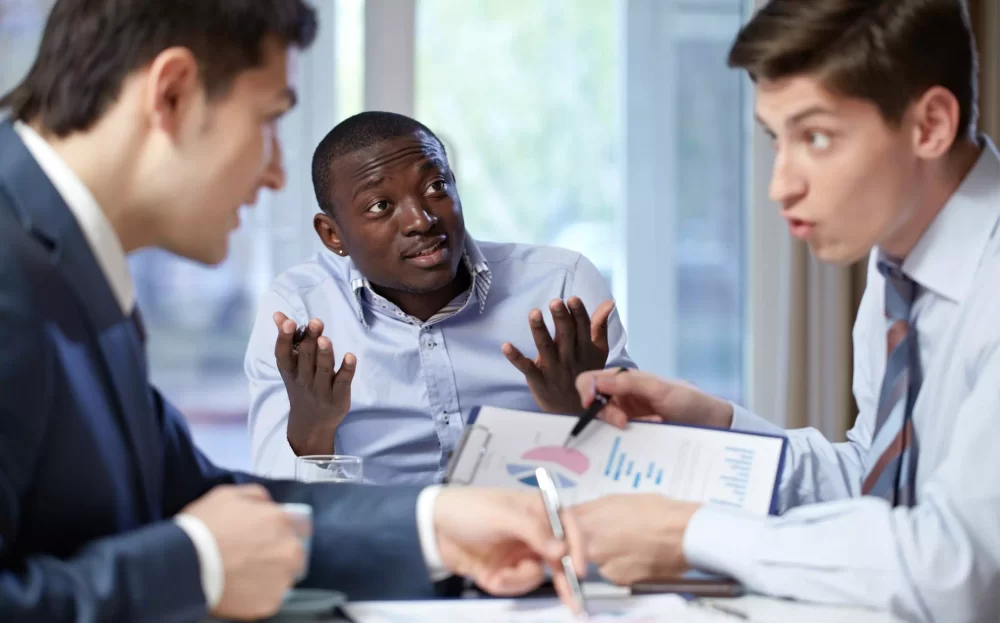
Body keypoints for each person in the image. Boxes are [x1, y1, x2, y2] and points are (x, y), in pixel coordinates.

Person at [0, 2, 586, 621]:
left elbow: (197, 500)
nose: (276, 173)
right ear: (172, 95)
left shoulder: (68, 265)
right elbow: (200, 537)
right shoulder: (14, 270)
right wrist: (196, 564)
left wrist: (437, 525)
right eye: (268, 121)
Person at [570, 0, 1000, 621]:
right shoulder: (899, 267)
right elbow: (879, 486)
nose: (780, 185)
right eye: (778, 139)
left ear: (929, 124)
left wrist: (688, 534)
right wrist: (718, 429)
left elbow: (957, 570)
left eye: (816, 137)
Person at [245, 111, 633, 484]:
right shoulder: (301, 311)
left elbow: (643, 474)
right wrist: (312, 433)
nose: (421, 220)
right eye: (381, 206)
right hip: (383, 544)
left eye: (436, 187)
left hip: (542, 538)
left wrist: (576, 413)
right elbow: (283, 511)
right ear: (333, 235)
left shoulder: (561, 288)